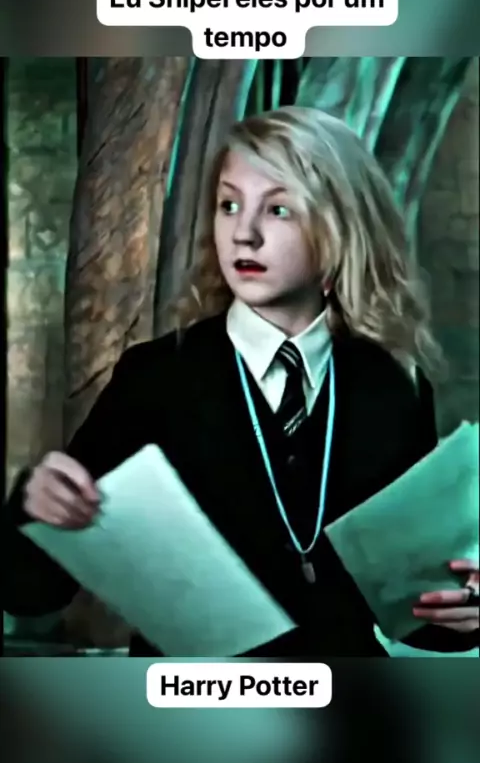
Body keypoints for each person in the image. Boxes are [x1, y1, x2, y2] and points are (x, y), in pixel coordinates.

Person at [3, 106, 478, 656]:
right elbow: (31, 593)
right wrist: (34, 511)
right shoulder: (156, 378)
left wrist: (466, 603)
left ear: (339, 228)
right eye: (229, 205)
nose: (243, 234)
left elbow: (419, 617)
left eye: (277, 209)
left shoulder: (392, 385)